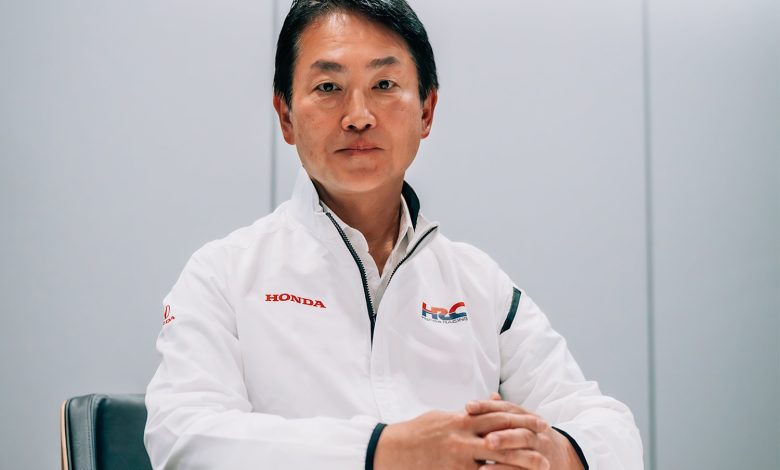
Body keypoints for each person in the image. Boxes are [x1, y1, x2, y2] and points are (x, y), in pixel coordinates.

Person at [143, 1, 644, 469]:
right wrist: (383, 451)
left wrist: (556, 451)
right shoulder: (223, 274)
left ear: (426, 111)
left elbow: (610, 429)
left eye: (384, 84)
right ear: (286, 116)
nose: (358, 116)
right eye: (328, 87)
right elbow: (183, 436)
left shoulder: (478, 285)